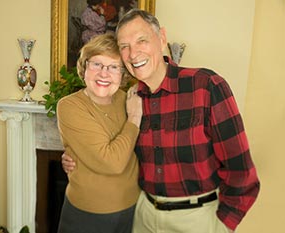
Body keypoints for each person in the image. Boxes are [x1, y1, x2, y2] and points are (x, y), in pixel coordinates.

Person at [62, 9, 260, 233]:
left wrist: (223, 224)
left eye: (141, 40)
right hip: (143, 214)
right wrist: (73, 154)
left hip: (197, 218)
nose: (133, 53)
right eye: (124, 46)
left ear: (162, 38)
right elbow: (115, 148)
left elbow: (241, 170)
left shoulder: (206, 85)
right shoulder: (132, 98)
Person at [56, 33, 142, 233]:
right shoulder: (69, 106)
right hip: (87, 214)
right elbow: (112, 162)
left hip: (133, 207)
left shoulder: (130, 99)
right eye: (96, 64)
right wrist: (134, 119)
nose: (104, 74)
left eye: (113, 67)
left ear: (123, 74)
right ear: (84, 67)